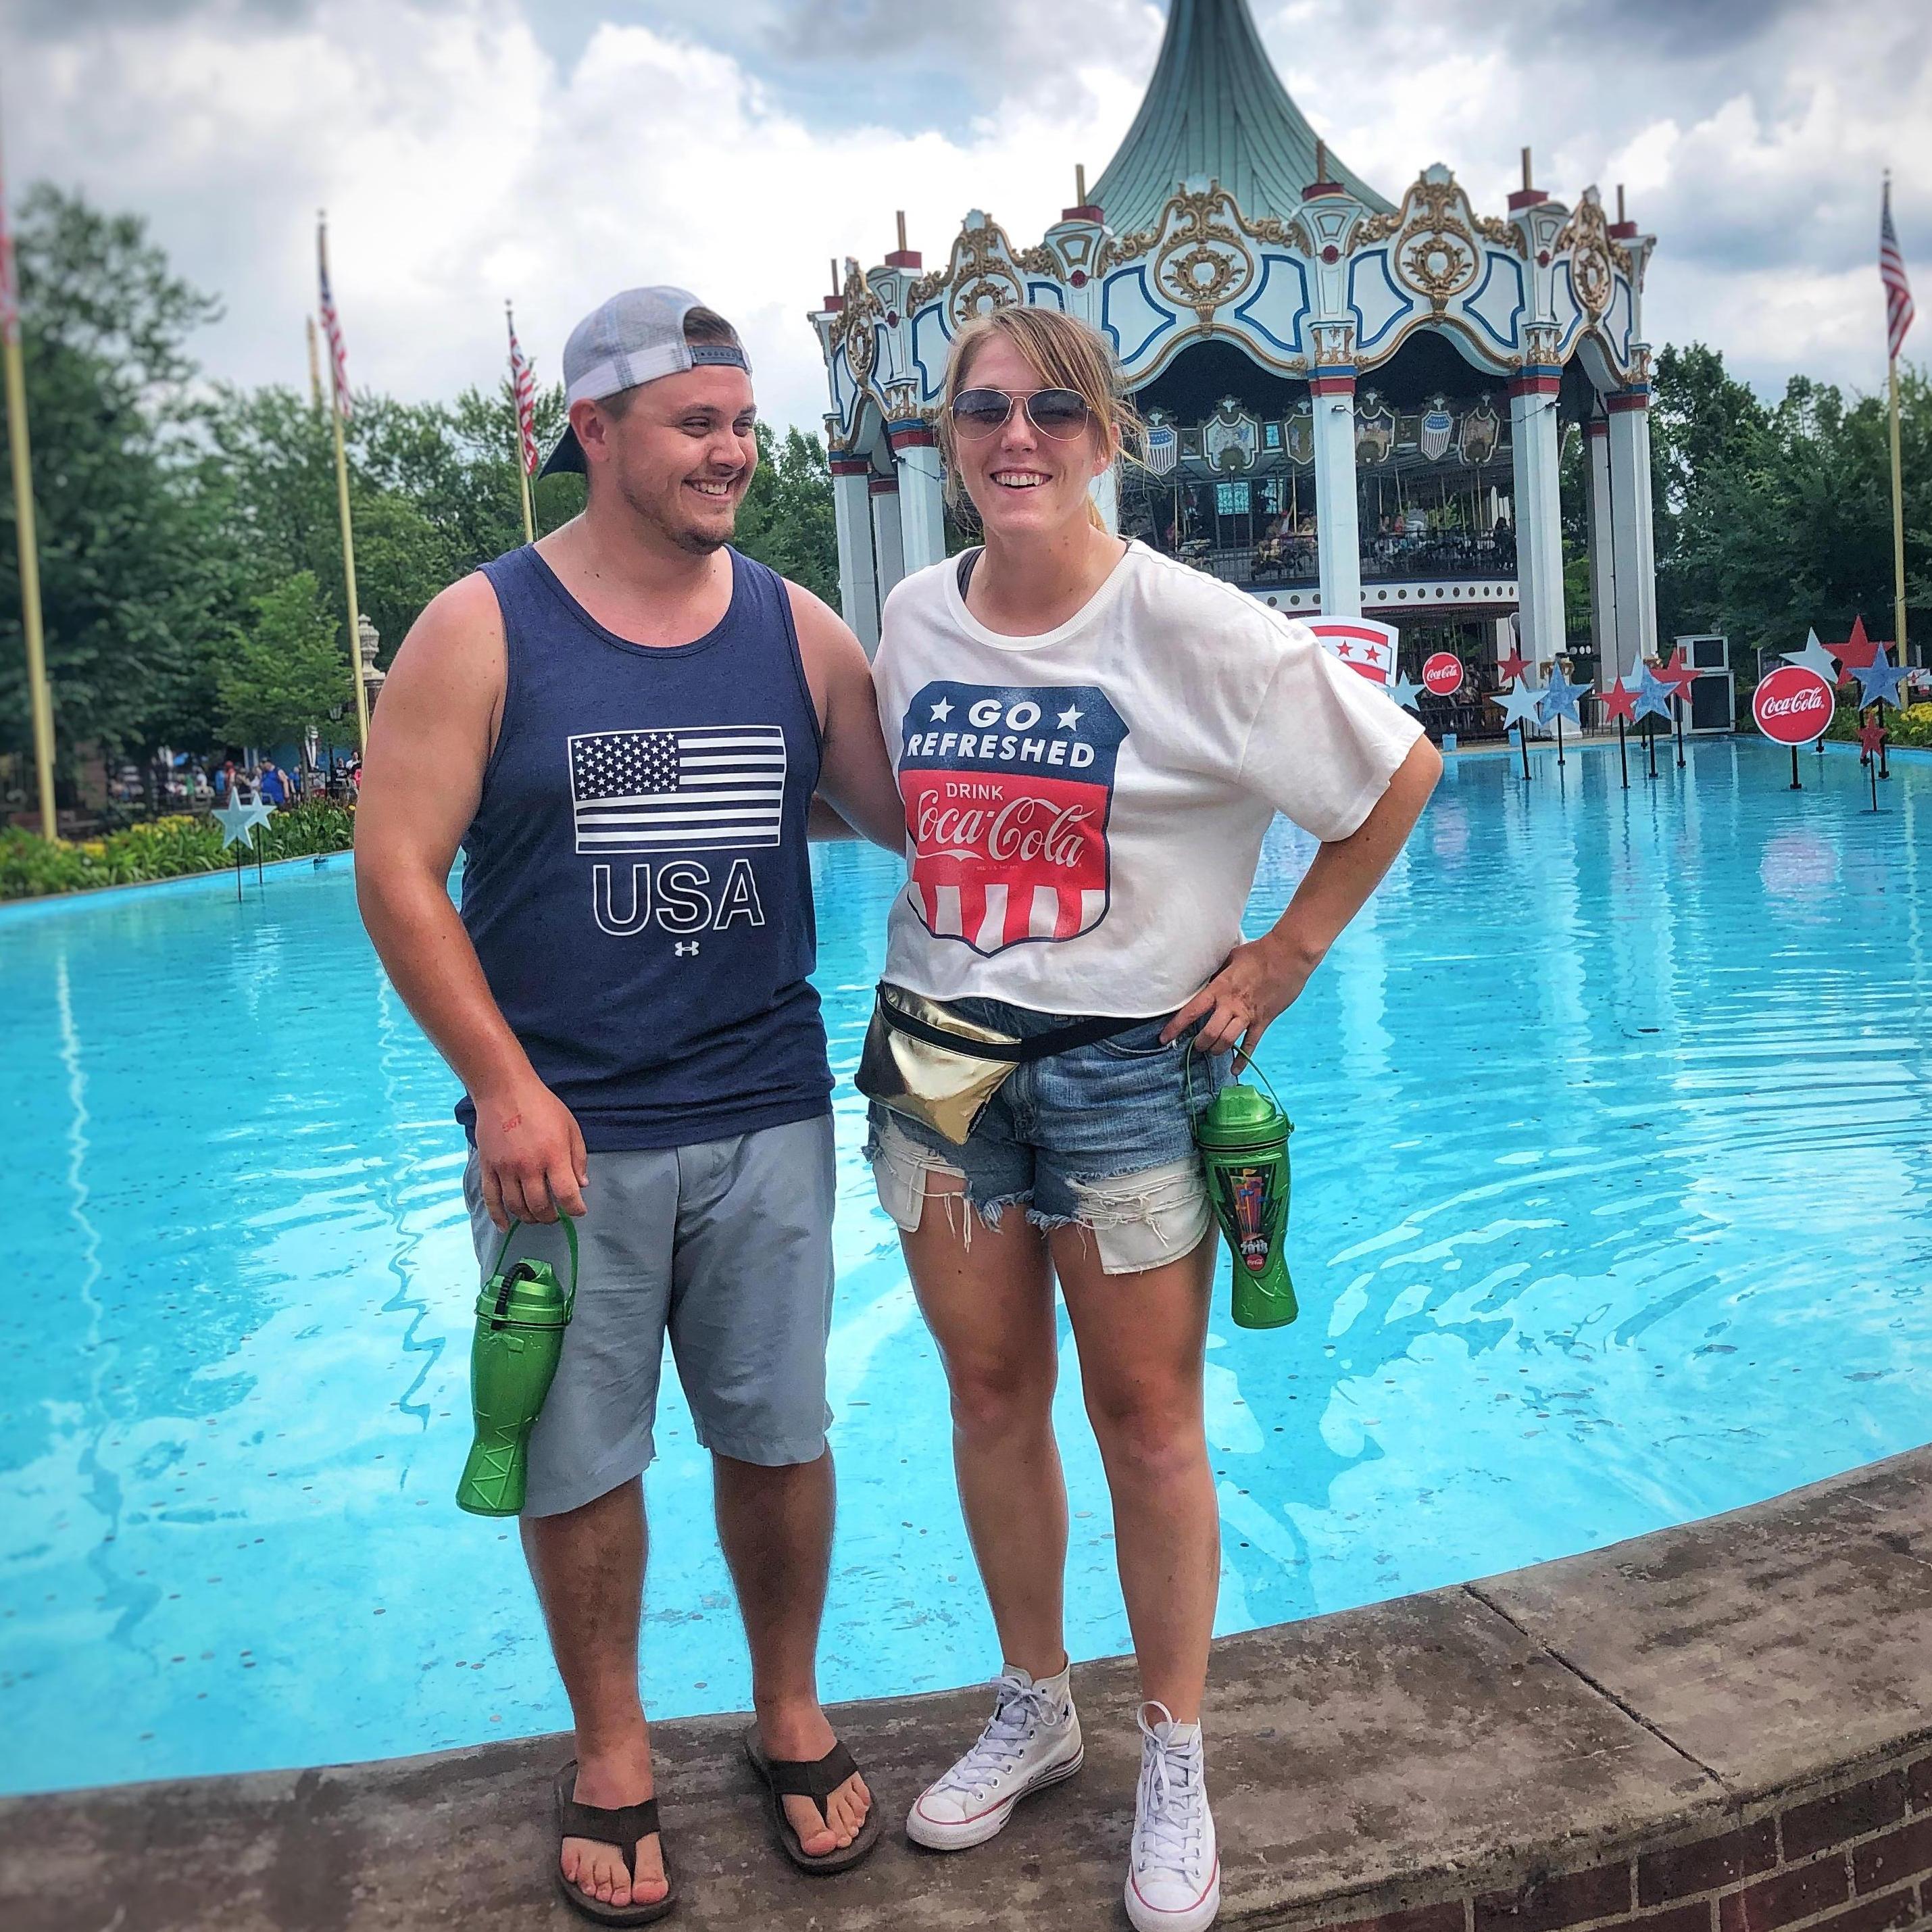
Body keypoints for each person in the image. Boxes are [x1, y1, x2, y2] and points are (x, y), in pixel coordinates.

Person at [865, 307, 1440, 1932]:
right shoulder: (914, 614)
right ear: (949, 439)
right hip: (937, 1053)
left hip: (1124, 1068)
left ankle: (1172, 1751)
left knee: (1147, 1421)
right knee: (987, 1393)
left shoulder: (1191, 627)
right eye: (983, 409)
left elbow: (1397, 770)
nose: (1014, 436)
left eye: (1051, 408)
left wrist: (1279, 957)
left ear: (1105, 433)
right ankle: (1033, 1700)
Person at [355, 287, 903, 1924]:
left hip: (763, 1108)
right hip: (562, 1138)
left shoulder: (797, 627)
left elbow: (911, 815)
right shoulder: (484, 625)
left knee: (778, 1430)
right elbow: (395, 868)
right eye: (694, 422)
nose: (731, 452)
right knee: (581, 1461)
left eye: (741, 423)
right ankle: (610, 1748)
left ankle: (784, 1706)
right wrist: (502, 1085)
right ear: (591, 431)